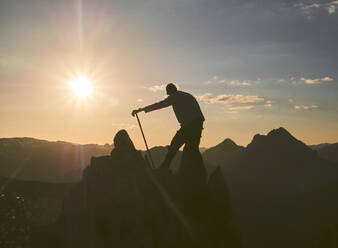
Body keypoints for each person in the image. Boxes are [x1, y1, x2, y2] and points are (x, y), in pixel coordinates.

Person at [132, 83, 205, 169]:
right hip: (197, 124)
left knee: (175, 144)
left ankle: (164, 167)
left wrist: (141, 110)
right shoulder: (187, 95)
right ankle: (197, 172)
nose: (169, 96)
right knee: (193, 149)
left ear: (170, 92)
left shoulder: (175, 96)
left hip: (189, 125)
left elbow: (160, 104)